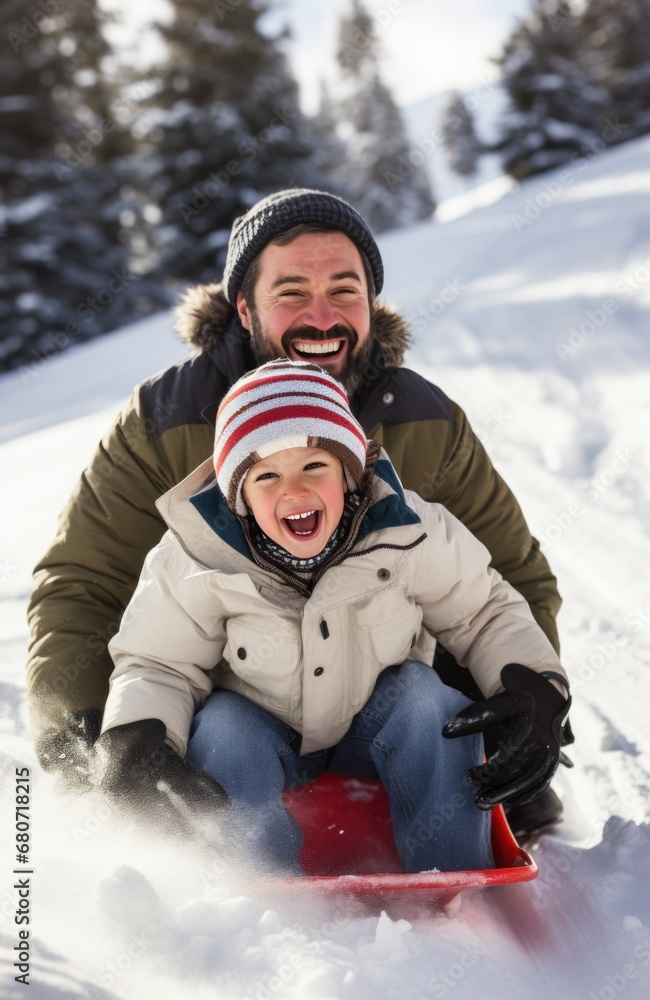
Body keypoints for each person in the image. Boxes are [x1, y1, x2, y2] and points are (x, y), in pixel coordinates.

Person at [27, 188, 565, 833]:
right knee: (219, 735)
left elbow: (503, 579)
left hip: (392, 701)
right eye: (291, 292)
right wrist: (103, 741)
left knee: (426, 705)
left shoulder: (426, 420)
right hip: (238, 708)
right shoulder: (163, 421)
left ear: (371, 304)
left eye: (344, 290)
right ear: (244, 307)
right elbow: (84, 586)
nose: (321, 316)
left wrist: (522, 704)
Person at [93, 359, 571, 875]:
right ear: (240, 497)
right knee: (223, 729)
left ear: (349, 471)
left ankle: (453, 876)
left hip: (375, 717)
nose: (293, 492)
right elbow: (159, 662)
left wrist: (534, 689)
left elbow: (483, 612)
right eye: (267, 475)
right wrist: (137, 738)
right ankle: (252, 886)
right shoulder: (196, 557)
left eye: (314, 466)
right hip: (261, 723)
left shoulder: (410, 530)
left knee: (430, 701)